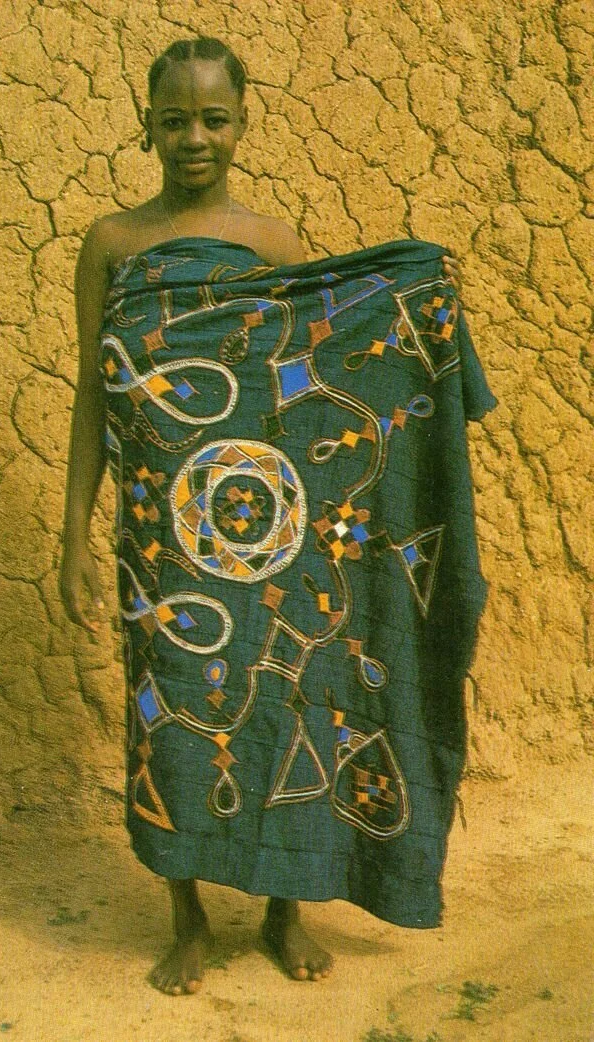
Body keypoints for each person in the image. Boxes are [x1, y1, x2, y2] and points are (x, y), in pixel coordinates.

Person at [59, 37, 475, 996]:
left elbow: (316, 383)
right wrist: (72, 534)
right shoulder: (112, 244)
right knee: (168, 706)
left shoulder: (273, 246)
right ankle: (189, 919)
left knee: (286, 700)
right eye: (174, 119)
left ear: (244, 125)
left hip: (270, 526)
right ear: (147, 123)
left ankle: (286, 913)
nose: (193, 137)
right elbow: (93, 391)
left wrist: (422, 300)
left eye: (213, 118)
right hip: (163, 537)